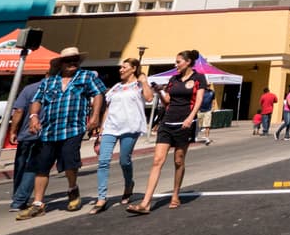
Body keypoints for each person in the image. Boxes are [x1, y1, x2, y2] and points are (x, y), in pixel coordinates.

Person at [16, 47, 107, 219]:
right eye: (68, 60)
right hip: (49, 129)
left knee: (69, 160)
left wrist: (95, 116)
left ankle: (72, 189)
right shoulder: (49, 81)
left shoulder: (86, 76)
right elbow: (37, 100)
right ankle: (38, 203)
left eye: (75, 60)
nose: (73, 63)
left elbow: (98, 94)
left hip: (73, 127)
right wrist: (34, 117)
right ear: (61, 64)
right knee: (42, 165)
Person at [128, 50, 206, 214]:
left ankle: (175, 194)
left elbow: (198, 101)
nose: (175, 65)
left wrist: (189, 118)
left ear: (188, 62)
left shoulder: (198, 78)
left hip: (184, 123)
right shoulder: (174, 79)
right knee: (157, 160)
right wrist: (159, 92)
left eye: (178, 62)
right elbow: (168, 101)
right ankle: (146, 203)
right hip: (167, 123)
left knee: (178, 160)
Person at [90, 58, 153, 213]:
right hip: (111, 127)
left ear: (133, 69)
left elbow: (149, 98)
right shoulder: (116, 87)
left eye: (124, 67)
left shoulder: (138, 85)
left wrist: (144, 81)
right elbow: (108, 109)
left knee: (124, 160)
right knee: (103, 161)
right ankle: (101, 198)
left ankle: (128, 184)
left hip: (130, 128)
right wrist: (102, 130)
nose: (121, 70)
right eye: (121, 67)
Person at [7, 79, 43, 212]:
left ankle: (17, 196)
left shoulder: (29, 88)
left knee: (20, 166)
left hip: (25, 133)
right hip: (42, 134)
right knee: (32, 167)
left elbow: (19, 111)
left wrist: (13, 131)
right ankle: (19, 200)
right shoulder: (57, 89)